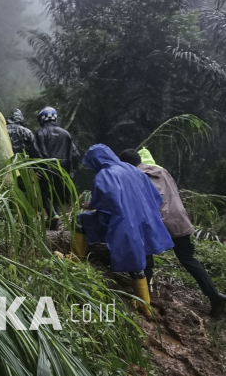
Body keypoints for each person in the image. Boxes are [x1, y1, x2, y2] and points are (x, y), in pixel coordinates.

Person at [118, 148, 226, 315]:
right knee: (188, 259)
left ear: (125, 165)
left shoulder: (134, 177)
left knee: (145, 253)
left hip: (157, 223)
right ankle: (215, 296)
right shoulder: (162, 171)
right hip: (178, 220)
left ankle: (144, 298)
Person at [80, 144, 174, 317]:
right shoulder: (135, 171)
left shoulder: (106, 173)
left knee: (81, 220)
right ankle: (145, 304)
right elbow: (155, 196)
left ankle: (75, 259)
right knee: (138, 259)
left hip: (124, 221)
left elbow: (107, 200)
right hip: (145, 220)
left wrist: (91, 205)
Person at [34, 106, 80, 229]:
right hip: (63, 170)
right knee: (57, 196)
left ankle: (52, 215)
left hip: (46, 169)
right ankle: (55, 228)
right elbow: (75, 154)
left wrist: (37, 169)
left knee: (44, 194)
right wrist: (71, 171)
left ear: (42, 118)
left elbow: (38, 152)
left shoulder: (40, 133)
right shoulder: (66, 134)